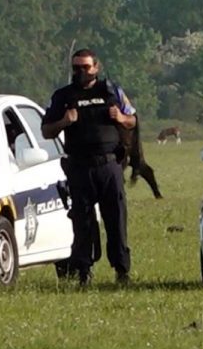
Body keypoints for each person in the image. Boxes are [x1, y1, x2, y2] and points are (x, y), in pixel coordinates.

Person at [42, 48, 136, 285]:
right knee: (82, 222)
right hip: (79, 167)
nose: (81, 72)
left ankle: (122, 271)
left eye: (85, 67)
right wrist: (64, 121)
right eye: (76, 67)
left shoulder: (111, 91)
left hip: (109, 165)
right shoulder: (63, 96)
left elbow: (132, 119)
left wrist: (120, 118)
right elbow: (46, 130)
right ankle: (84, 271)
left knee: (116, 220)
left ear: (96, 67)